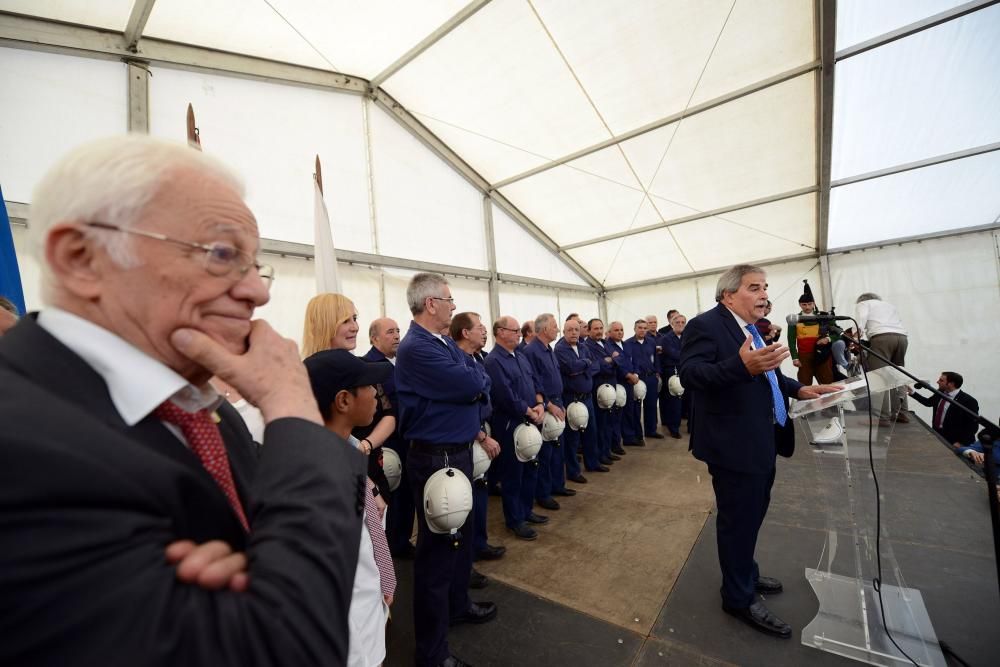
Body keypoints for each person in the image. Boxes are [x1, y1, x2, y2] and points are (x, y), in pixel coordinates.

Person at [0, 135, 366, 664]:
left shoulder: (203, 409)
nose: (258, 293)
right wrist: (291, 406)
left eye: (254, 265)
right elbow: (283, 648)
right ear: (82, 258)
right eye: (221, 254)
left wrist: (261, 570)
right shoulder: (18, 446)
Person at [680, 264, 839, 639]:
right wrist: (740, 365)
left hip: (761, 438)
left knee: (751, 516)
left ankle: (746, 574)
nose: (764, 294)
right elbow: (690, 375)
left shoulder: (751, 329)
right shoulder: (705, 325)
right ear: (728, 295)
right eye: (754, 287)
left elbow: (767, 374)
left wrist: (800, 390)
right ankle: (737, 598)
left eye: (765, 287)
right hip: (731, 443)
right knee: (737, 520)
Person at [394, 272, 497, 667]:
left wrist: (473, 384)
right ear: (431, 303)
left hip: (458, 452)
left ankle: (458, 606)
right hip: (436, 458)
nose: (454, 306)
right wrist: (472, 384)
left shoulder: (441, 344)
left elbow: (477, 384)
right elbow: (468, 385)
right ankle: (432, 654)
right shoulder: (418, 347)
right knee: (436, 558)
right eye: (449, 300)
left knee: (461, 542)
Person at [305, 349, 397, 667]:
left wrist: (384, 581)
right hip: (349, 628)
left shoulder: (351, 451)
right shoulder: (319, 476)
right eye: (368, 387)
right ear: (343, 401)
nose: (375, 394)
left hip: (369, 602)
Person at [449, 312, 504, 564]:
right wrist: (481, 435)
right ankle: (466, 560)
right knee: (464, 502)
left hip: (481, 429)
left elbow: (483, 392)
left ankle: (479, 544)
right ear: (465, 332)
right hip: (468, 437)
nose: (484, 332)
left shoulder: (476, 358)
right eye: (479, 328)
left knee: (480, 493)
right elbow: (457, 407)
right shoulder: (456, 361)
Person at [486, 316, 547, 540]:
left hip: (531, 418)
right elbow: (504, 395)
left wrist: (540, 403)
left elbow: (535, 382)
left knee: (531, 466)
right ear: (500, 332)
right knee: (513, 473)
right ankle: (515, 519)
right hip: (511, 423)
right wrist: (529, 411)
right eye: (514, 331)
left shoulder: (521, 356)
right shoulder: (493, 361)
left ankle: (526, 510)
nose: (519, 334)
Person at [364, 317, 416, 561]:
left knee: (407, 493)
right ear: (374, 338)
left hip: (408, 438)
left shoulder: (402, 362)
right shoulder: (368, 366)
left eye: (398, 331)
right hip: (387, 442)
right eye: (390, 332)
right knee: (390, 493)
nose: (397, 336)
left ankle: (401, 540)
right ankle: (386, 546)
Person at [523, 313, 575, 501]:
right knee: (545, 452)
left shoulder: (548, 349)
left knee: (557, 448)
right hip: (546, 406)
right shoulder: (531, 352)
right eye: (554, 326)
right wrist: (548, 405)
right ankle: (544, 494)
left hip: (558, 402)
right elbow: (534, 383)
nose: (558, 330)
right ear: (544, 329)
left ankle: (557, 485)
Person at [556, 317, 604, 479]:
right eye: (570, 330)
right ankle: (573, 472)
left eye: (576, 330)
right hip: (572, 398)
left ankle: (593, 463)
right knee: (572, 437)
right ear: (564, 332)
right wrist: (585, 364)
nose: (574, 333)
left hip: (587, 397)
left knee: (591, 431)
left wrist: (582, 366)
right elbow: (570, 368)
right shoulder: (560, 349)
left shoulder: (583, 347)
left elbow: (596, 366)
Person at [855, 292, 910, 422]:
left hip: (881, 338)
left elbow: (860, 320)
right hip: (902, 338)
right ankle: (902, 412)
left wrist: (855, 336)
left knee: (879, 377)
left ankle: (882, 417)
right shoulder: (889, 305)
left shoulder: (863, 304)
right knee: (897, 376)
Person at [910, 372, 980, 449]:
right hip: (938, 435)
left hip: (955, 442)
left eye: (941, 380)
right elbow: (929, 403)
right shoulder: (940, 392)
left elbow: (972, 426)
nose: (937, 382)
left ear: (951, 384)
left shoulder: (968, 401)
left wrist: (961, 442)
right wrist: (912, 393)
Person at [584, 317, 620, 464]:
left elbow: (619, 360)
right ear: (589, 330)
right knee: (599, 424)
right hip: (599, 387)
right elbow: (596, 367)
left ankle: (607, 451)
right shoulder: (587, 346)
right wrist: (609, 360)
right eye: (595, 329)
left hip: (611, 383)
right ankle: (599, 455)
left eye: (600, 328)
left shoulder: (606, 343)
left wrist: (610, 360)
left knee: (609, 421)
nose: (599, 331)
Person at [787, 281, 834, 385]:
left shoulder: (823, 317)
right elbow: (791, 340)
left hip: (822, 354)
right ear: (799, 304)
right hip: (804, 356)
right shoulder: (794, 319)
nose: (807, 307)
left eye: (809, 304)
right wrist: (794, 358)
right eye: (804, 304)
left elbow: (837, 333)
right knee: (804, 383)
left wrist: (828, 339)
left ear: (813, 303)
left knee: (827, 382)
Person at [625, 319, 661, 440]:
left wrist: (657, 372)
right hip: (637, 380)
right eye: (640, 327)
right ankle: (637, 433)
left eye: (645, 328)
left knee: (651, 406)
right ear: (634, 329)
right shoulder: (628, 344)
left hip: (651, 377)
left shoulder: (651, 342)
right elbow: (626, 362)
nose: (642, 330)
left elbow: (656, 358)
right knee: (636, 407)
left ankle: (651, 430)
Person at [607, 320, 639, 450]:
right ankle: (616, 443)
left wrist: (636, 374)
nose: (620, 332)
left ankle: (629, 437)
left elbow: (634, 360)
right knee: (617, 414)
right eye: (616, 330)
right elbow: (617, 365)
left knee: (629, 411)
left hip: (630, 382)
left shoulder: (627, 345)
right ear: (609, 333)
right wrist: (628, 375)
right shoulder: (608, 346)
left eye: (621, 330)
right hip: (618, 382)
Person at [659, 312, 685, 439]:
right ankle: (674, 428)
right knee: (674, 400)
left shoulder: (687, 336)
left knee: (687, 399)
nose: (680, 325)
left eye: (682, 323)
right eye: (677, 322)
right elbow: (673, 354)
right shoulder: (665, 338)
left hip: (685, 369)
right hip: (671, 371)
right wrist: (687, 355)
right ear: (671, 324)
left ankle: (690, 426)